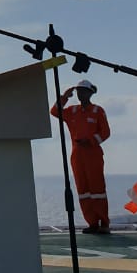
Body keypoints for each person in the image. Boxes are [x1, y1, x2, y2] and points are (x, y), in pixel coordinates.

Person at [50, 79, 111, 234]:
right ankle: (92, 223)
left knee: (97, 189)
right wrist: (64, 96)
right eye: (78, 91)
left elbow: (105, 133)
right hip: (77, 155)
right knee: (83, 190)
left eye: (83, 91)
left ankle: (103, 222)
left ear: (91, 92)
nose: (80, 93)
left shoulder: (98, 111)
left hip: (93, 154)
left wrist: (90, 141)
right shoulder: (72, 111)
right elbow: (55, 111)